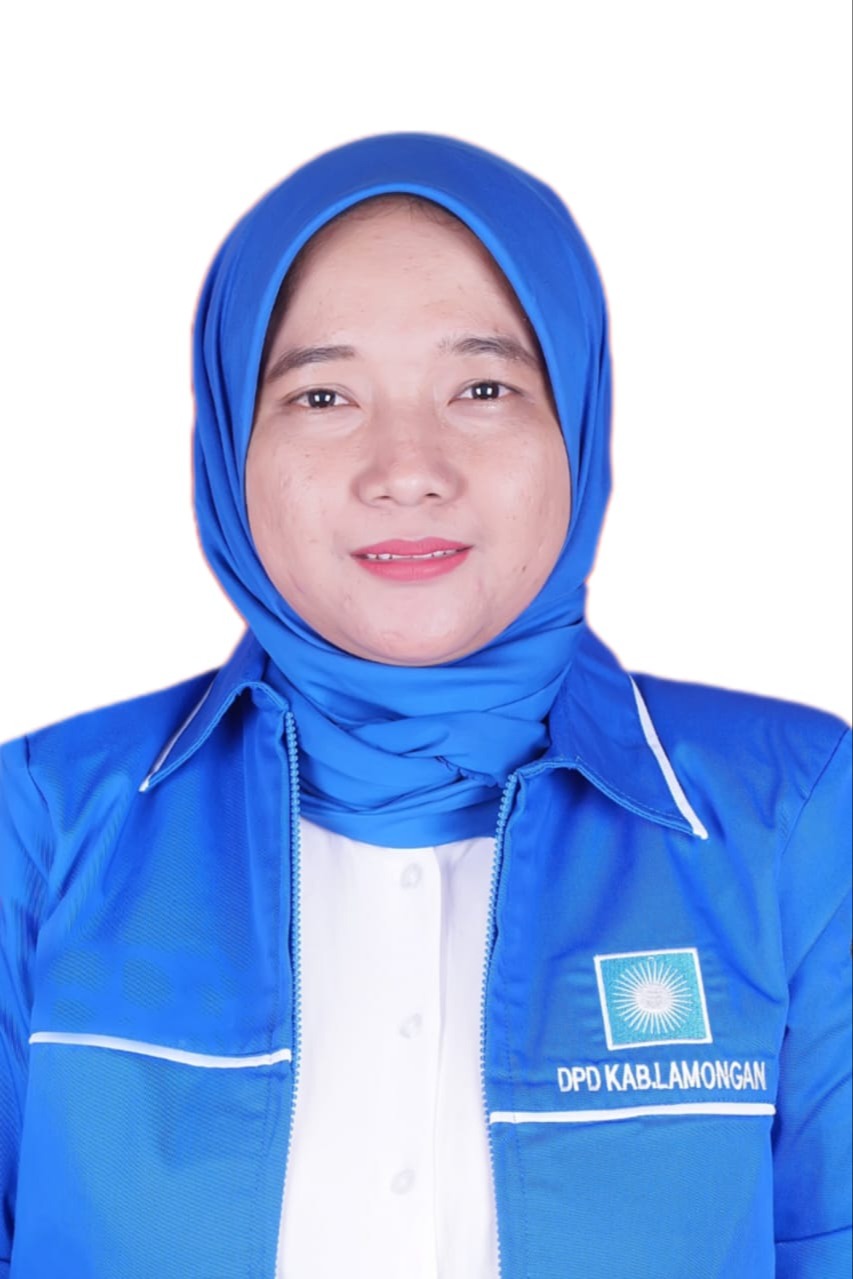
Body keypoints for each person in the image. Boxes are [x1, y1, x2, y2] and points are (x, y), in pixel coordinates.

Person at [0, 133, 849, 1278]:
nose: (406, 467)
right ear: (231, 441)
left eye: (483, 388)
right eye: (323, 394)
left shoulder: (791, 813)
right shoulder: (44, 819)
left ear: (577, 420)